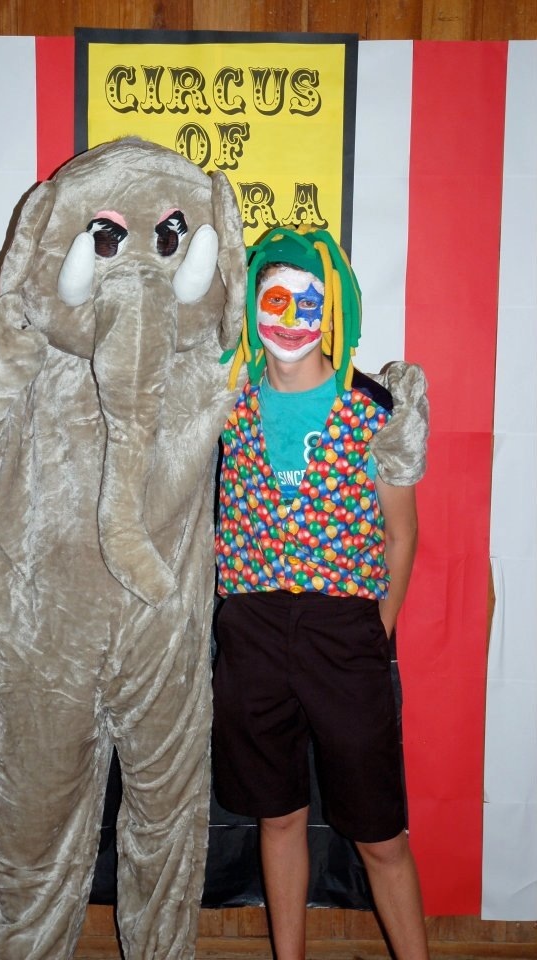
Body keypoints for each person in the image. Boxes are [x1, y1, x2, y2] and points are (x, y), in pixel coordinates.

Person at [212, 225, 430, 960]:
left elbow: (401, 533)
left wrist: (375, 630)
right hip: (251, 631)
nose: (288, 318)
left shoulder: (374, 410)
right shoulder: (230, 405)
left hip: (345, 633)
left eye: (306, 302)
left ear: (331, 307)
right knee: (277, 818)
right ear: (251, 306)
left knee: (380, 834)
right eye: (272, 300)